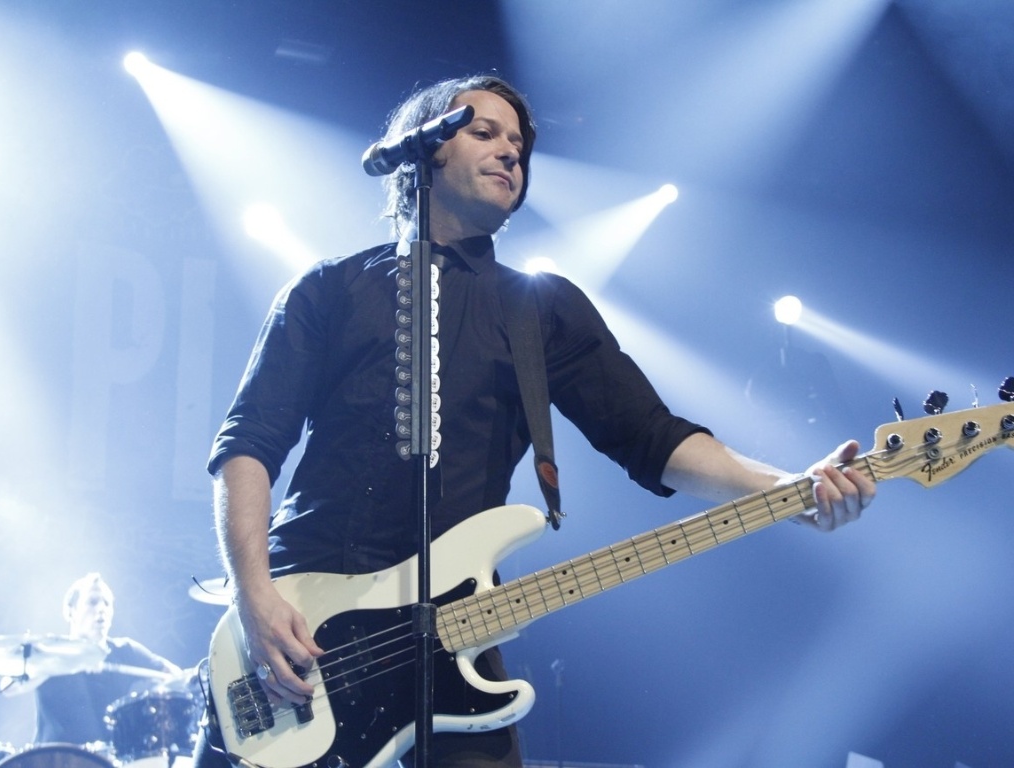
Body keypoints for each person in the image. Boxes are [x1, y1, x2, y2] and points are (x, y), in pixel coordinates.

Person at [195, 74, 875, 768]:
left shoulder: (541, 308)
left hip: (454, 626)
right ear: (426, 150)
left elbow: (651, 435)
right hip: (303, 622)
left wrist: (787, 487)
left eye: (519, 143)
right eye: (484, 132)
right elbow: (248, 444)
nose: (510, 154)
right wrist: (254, 596)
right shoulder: (330, 288)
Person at [0, 572, 183, 747]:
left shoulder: (125, 650)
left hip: (108, 760)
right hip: (53, 759)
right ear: (70, 611)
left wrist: (154, 692)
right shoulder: (49, 653)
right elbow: (9, 687)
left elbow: (175, 677)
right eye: (92, 602)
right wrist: (56, 664)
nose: (101, 609)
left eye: (107, 603)